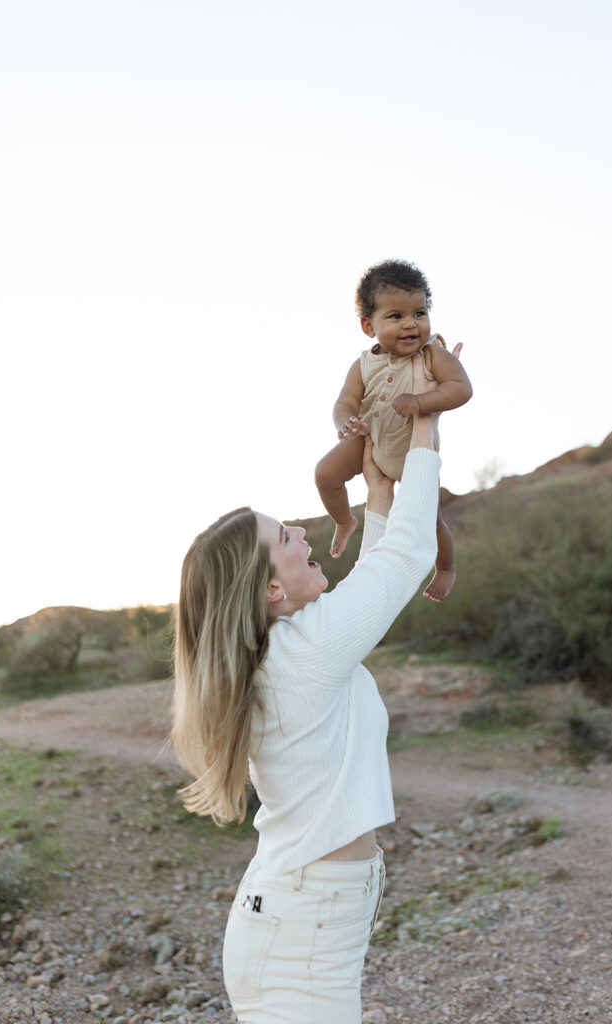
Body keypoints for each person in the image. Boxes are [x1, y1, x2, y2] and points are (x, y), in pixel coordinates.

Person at [171, 353, 443, 1023]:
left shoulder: (290, 649)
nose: (302, 533)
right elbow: (407, 555)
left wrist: (377, 489)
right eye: (286, 537)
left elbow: (373, 573)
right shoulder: (305, 653)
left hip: (295, 920)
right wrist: (427, 422)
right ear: (268, 588)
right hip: (300, 934)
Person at [315, 259, 472, 602]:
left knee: (430, 519)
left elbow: (462, 389)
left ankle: (445, 568)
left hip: (413, 455)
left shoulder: (434, 356)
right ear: (368, 326)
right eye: (395, 316)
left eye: (419, 313)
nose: (410, 325)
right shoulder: (362, 364)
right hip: (369, 440)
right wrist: (346, 424)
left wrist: (422, 401)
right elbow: (343, 403)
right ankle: (344, 521)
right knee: (325, 473)